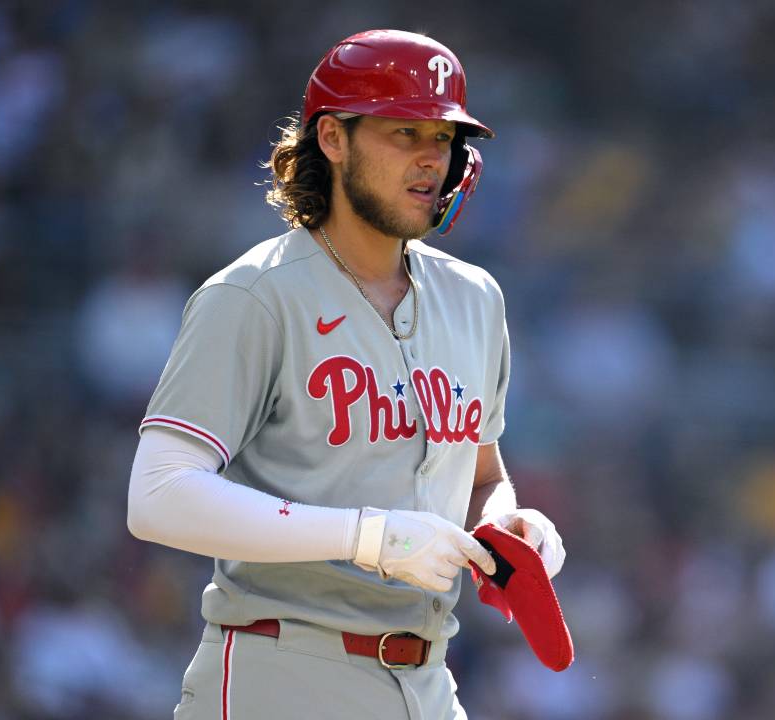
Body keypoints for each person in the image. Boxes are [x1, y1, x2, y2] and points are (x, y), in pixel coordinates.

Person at [126, 29, 565, 719]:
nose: (432, 157)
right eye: (405, 131)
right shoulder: (253, 295)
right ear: (332, 138)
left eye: (444, 137)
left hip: (429, 681)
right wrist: (367, 537)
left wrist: (506, 523)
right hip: (283, 670)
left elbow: (481, 477)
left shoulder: (475, 298)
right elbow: (158, 496)